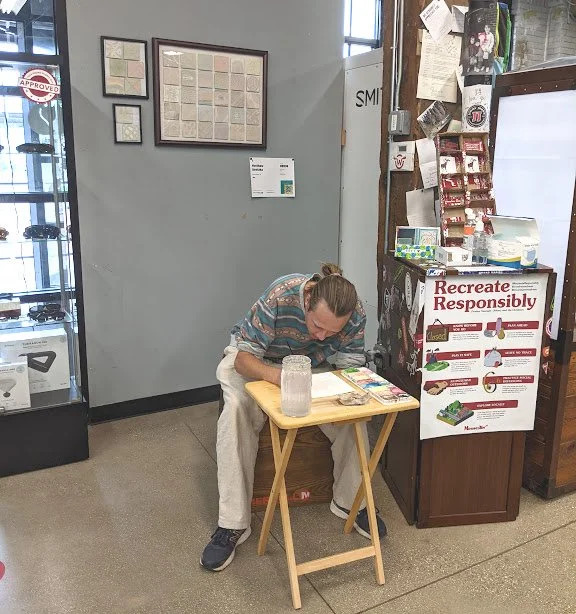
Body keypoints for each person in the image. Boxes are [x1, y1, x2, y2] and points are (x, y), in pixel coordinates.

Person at [201, 263, 387, 572]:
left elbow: (351, 368)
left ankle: (353, 503)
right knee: (235, 412)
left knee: (353, 415)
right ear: (309, 300)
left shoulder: (354, 313)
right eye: (317, 325)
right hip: (259, 362)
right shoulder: (281, 294)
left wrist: (347, 395)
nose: (321, 335)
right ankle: (232, 523)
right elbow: (243, 360)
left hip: (312, 367)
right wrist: (279, 377)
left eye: (331, 332)